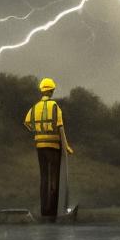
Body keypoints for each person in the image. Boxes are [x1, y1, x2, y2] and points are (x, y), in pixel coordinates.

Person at [23, 77, 74, 221]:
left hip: (40, 147)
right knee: (54, 179)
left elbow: (27, 123)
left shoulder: (34, 107)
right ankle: (52, 212)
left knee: (44, 178)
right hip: (53, 147)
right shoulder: (55, 107)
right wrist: (66, 146)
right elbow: (60, 128)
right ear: (51, 91)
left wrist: (38, 130)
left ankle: (44, 211)